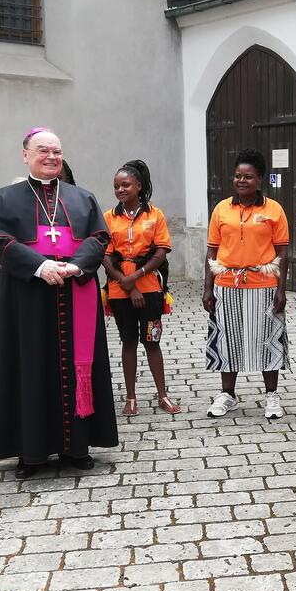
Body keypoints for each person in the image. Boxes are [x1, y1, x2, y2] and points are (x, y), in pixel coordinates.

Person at [0, 128, 118, 478]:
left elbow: (99, 239)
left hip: (74, 291)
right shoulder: (3, 198)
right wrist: (39, 266)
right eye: (43, 151)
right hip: (28, 298)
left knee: (76, 365)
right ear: (25, 154)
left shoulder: (82, 198)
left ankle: (76, 447)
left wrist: (76, 264)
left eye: (56, 151)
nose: (51, 157)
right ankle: (32, 452)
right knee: (31, 366)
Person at [203, 149, 290, 419]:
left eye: (248, 177)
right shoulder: (221, 210)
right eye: (238, 176)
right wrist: (207, 288)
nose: (241, 181)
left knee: (268, 340)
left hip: (263, 284)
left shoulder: (273, 209)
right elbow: (211, 252)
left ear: (260, 179)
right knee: (227, 340)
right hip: (226, 283)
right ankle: (227, 394)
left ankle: (272, 396)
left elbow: (283, 253)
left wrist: (280, 289)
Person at [101, 159, 180, 416]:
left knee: (152, 341)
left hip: (150, 291)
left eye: (125, 185)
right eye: (116, 186)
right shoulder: (108, 218)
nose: (120, 190)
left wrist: (135, 278)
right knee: (128, 342)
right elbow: (105, 254)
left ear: (139, 186)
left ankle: (163, 395)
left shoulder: (155, 215)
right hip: (118, 290)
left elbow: (160, 252)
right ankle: (131, 398)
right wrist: (125, 283)